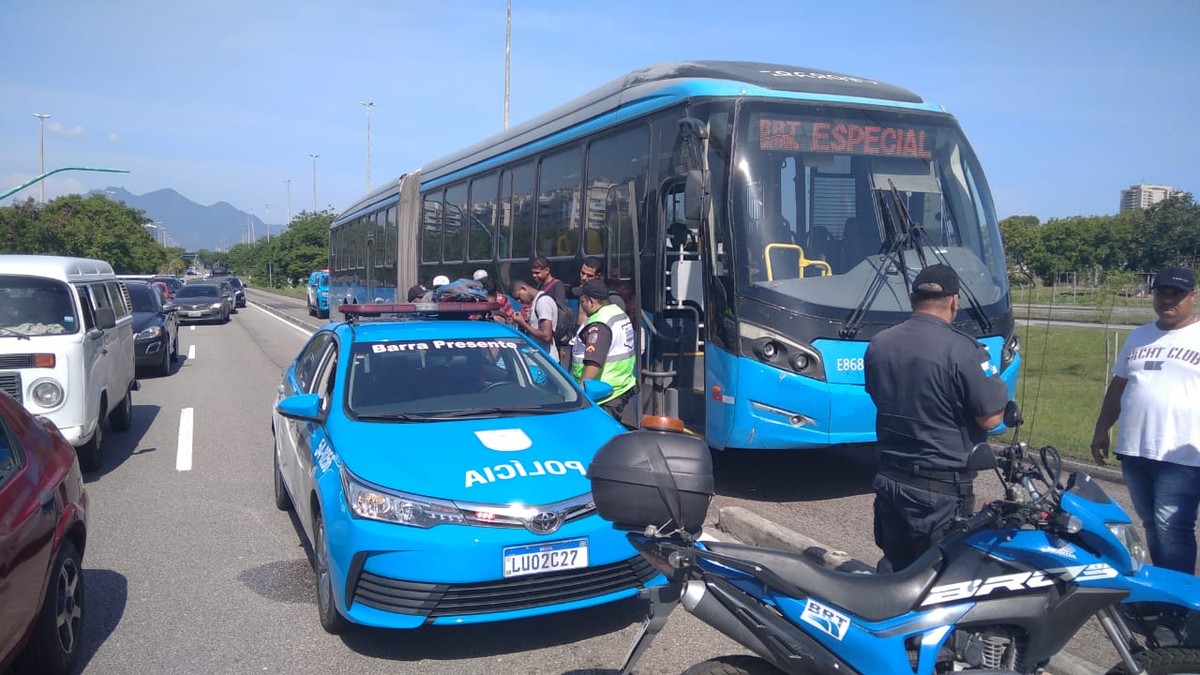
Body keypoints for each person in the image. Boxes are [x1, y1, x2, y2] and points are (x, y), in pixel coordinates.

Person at [864, 264, 1008, 572]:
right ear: (954, 301)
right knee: (937, 577)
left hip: (890, 480)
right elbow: (992, 419)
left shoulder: (879, 344)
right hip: (939, 491)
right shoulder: (964, 350)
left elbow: (877, 394)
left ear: (910, 298)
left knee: (895, 570)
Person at [1091, 266, 1200, 575]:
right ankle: (1162, 592)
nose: (1168, 300)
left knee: (1173, 527)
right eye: (1162, 292)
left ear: (1193, 297)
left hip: (1181, 454)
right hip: (1135, 449)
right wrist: (1102, 429)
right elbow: (1119, 385)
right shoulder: (1140, 336)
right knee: (1151, 524)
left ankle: (1176, 609)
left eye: (1176, 294)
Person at [570, 279, 636, 420]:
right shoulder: (616, 312)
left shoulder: (599, 324)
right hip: (619, 386)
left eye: (582, 302)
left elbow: (594, 362)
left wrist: (581, 392)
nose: (581, 307)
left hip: (603, 394)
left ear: (592, 302)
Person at [510, 279, 559, 363]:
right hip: (538, 359)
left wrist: (523, 323)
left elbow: (546, 335)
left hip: (545, 361)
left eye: (518, 297)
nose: (519, 301)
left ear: (524, 289)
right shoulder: (536, 302)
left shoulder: (543, 302)